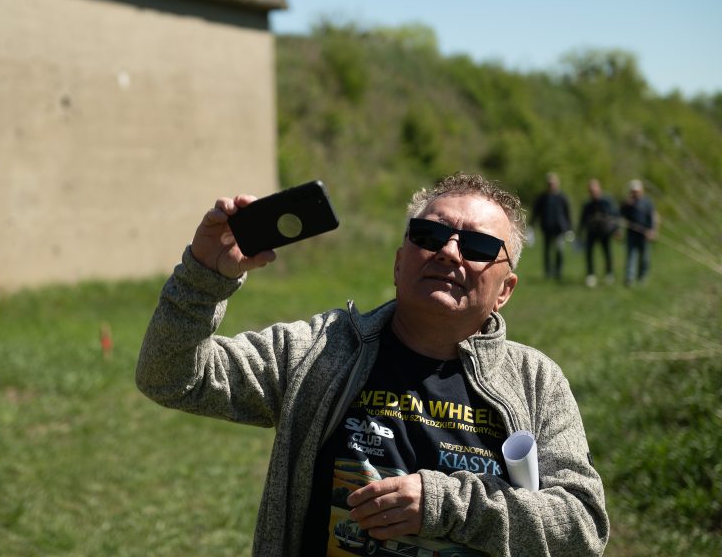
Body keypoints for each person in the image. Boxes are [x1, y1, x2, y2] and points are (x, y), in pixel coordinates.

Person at [136, 172, 608, 556]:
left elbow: (583, 527)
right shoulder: (320, 350)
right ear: (399, 263)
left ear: (505, 290)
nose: (448, 251)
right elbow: (169, 377)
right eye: (429, 235)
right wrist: (204, 276)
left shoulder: (535, 381)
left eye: (478, 247)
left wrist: (444, 505)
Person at [531, 172, 572, 281]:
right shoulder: (542, 198)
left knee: (559, 250)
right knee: (547, 251)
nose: (551, 185)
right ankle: (548, 272)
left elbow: (567, 213)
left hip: (559, 229)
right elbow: (536, 212)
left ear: (557, 183)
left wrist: (569, 228)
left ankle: (558, 272)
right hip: (546, 228)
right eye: (549, 183)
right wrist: (532, 225)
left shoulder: (562, 198)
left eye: (553, 183)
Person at [578, 179, 619, 287]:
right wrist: (580, 232)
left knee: (607, 253)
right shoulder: (587, 204)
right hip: (592, 232)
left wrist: (616, 230)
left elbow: (615, 216)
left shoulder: (607, 201)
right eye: (591, 191)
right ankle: (591, 275)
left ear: (599, 189)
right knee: (589, 253)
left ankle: (609, 274)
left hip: (605, 232)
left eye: (594, 190)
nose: (593, 193)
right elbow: (582, 219)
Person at [619, 179, 658, 286]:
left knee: (645, 257)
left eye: (637, 191)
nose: (635, 193)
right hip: (631, 234)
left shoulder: (647, 202)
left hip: (645, 233)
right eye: (633, 191)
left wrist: (653, 230)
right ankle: (630, 279)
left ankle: (642, 277)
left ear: (641, 190)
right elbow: (620, 216)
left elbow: (654, 217)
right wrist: (626, 204)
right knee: (631, 256)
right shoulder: (627, 203)